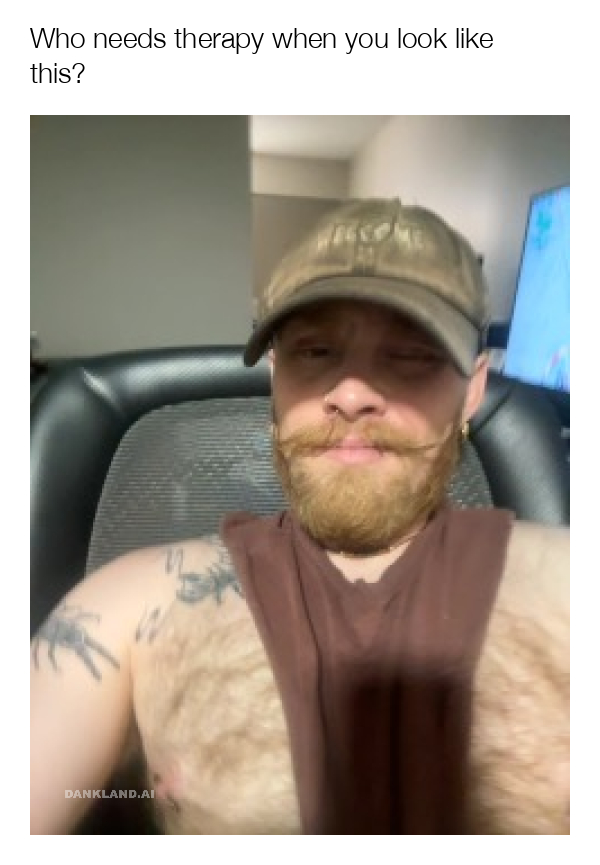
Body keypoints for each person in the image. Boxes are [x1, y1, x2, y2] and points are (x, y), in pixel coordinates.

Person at [30, 198, 569, 835]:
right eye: (315, 352)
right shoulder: (126, 608)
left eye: (410, 355)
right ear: (276, 378)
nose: (352, 393)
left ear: (472, 390)